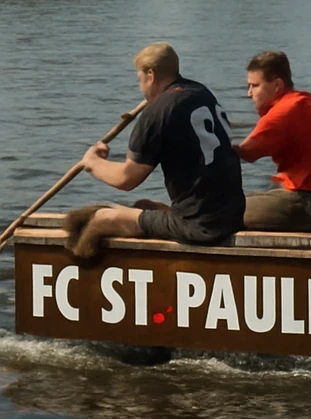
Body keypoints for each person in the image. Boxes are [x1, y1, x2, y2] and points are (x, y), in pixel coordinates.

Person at [63, 42, 245, 262]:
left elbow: (126, 179)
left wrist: (92, 162)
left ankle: (84, 269)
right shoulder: (202, 93)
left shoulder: (158, 111)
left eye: (140, 80)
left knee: (100, 220)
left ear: (150, 75)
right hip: (233, 215)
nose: (141, 88)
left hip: (201, 228)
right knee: (144, 207)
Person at [236, 51, 311, 232]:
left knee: (219, 212)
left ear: (277, 85)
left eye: (255, 86)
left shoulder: (284, 111)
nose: (249, 93)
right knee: (243, 201)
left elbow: (246, 153)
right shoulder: (308, 101)